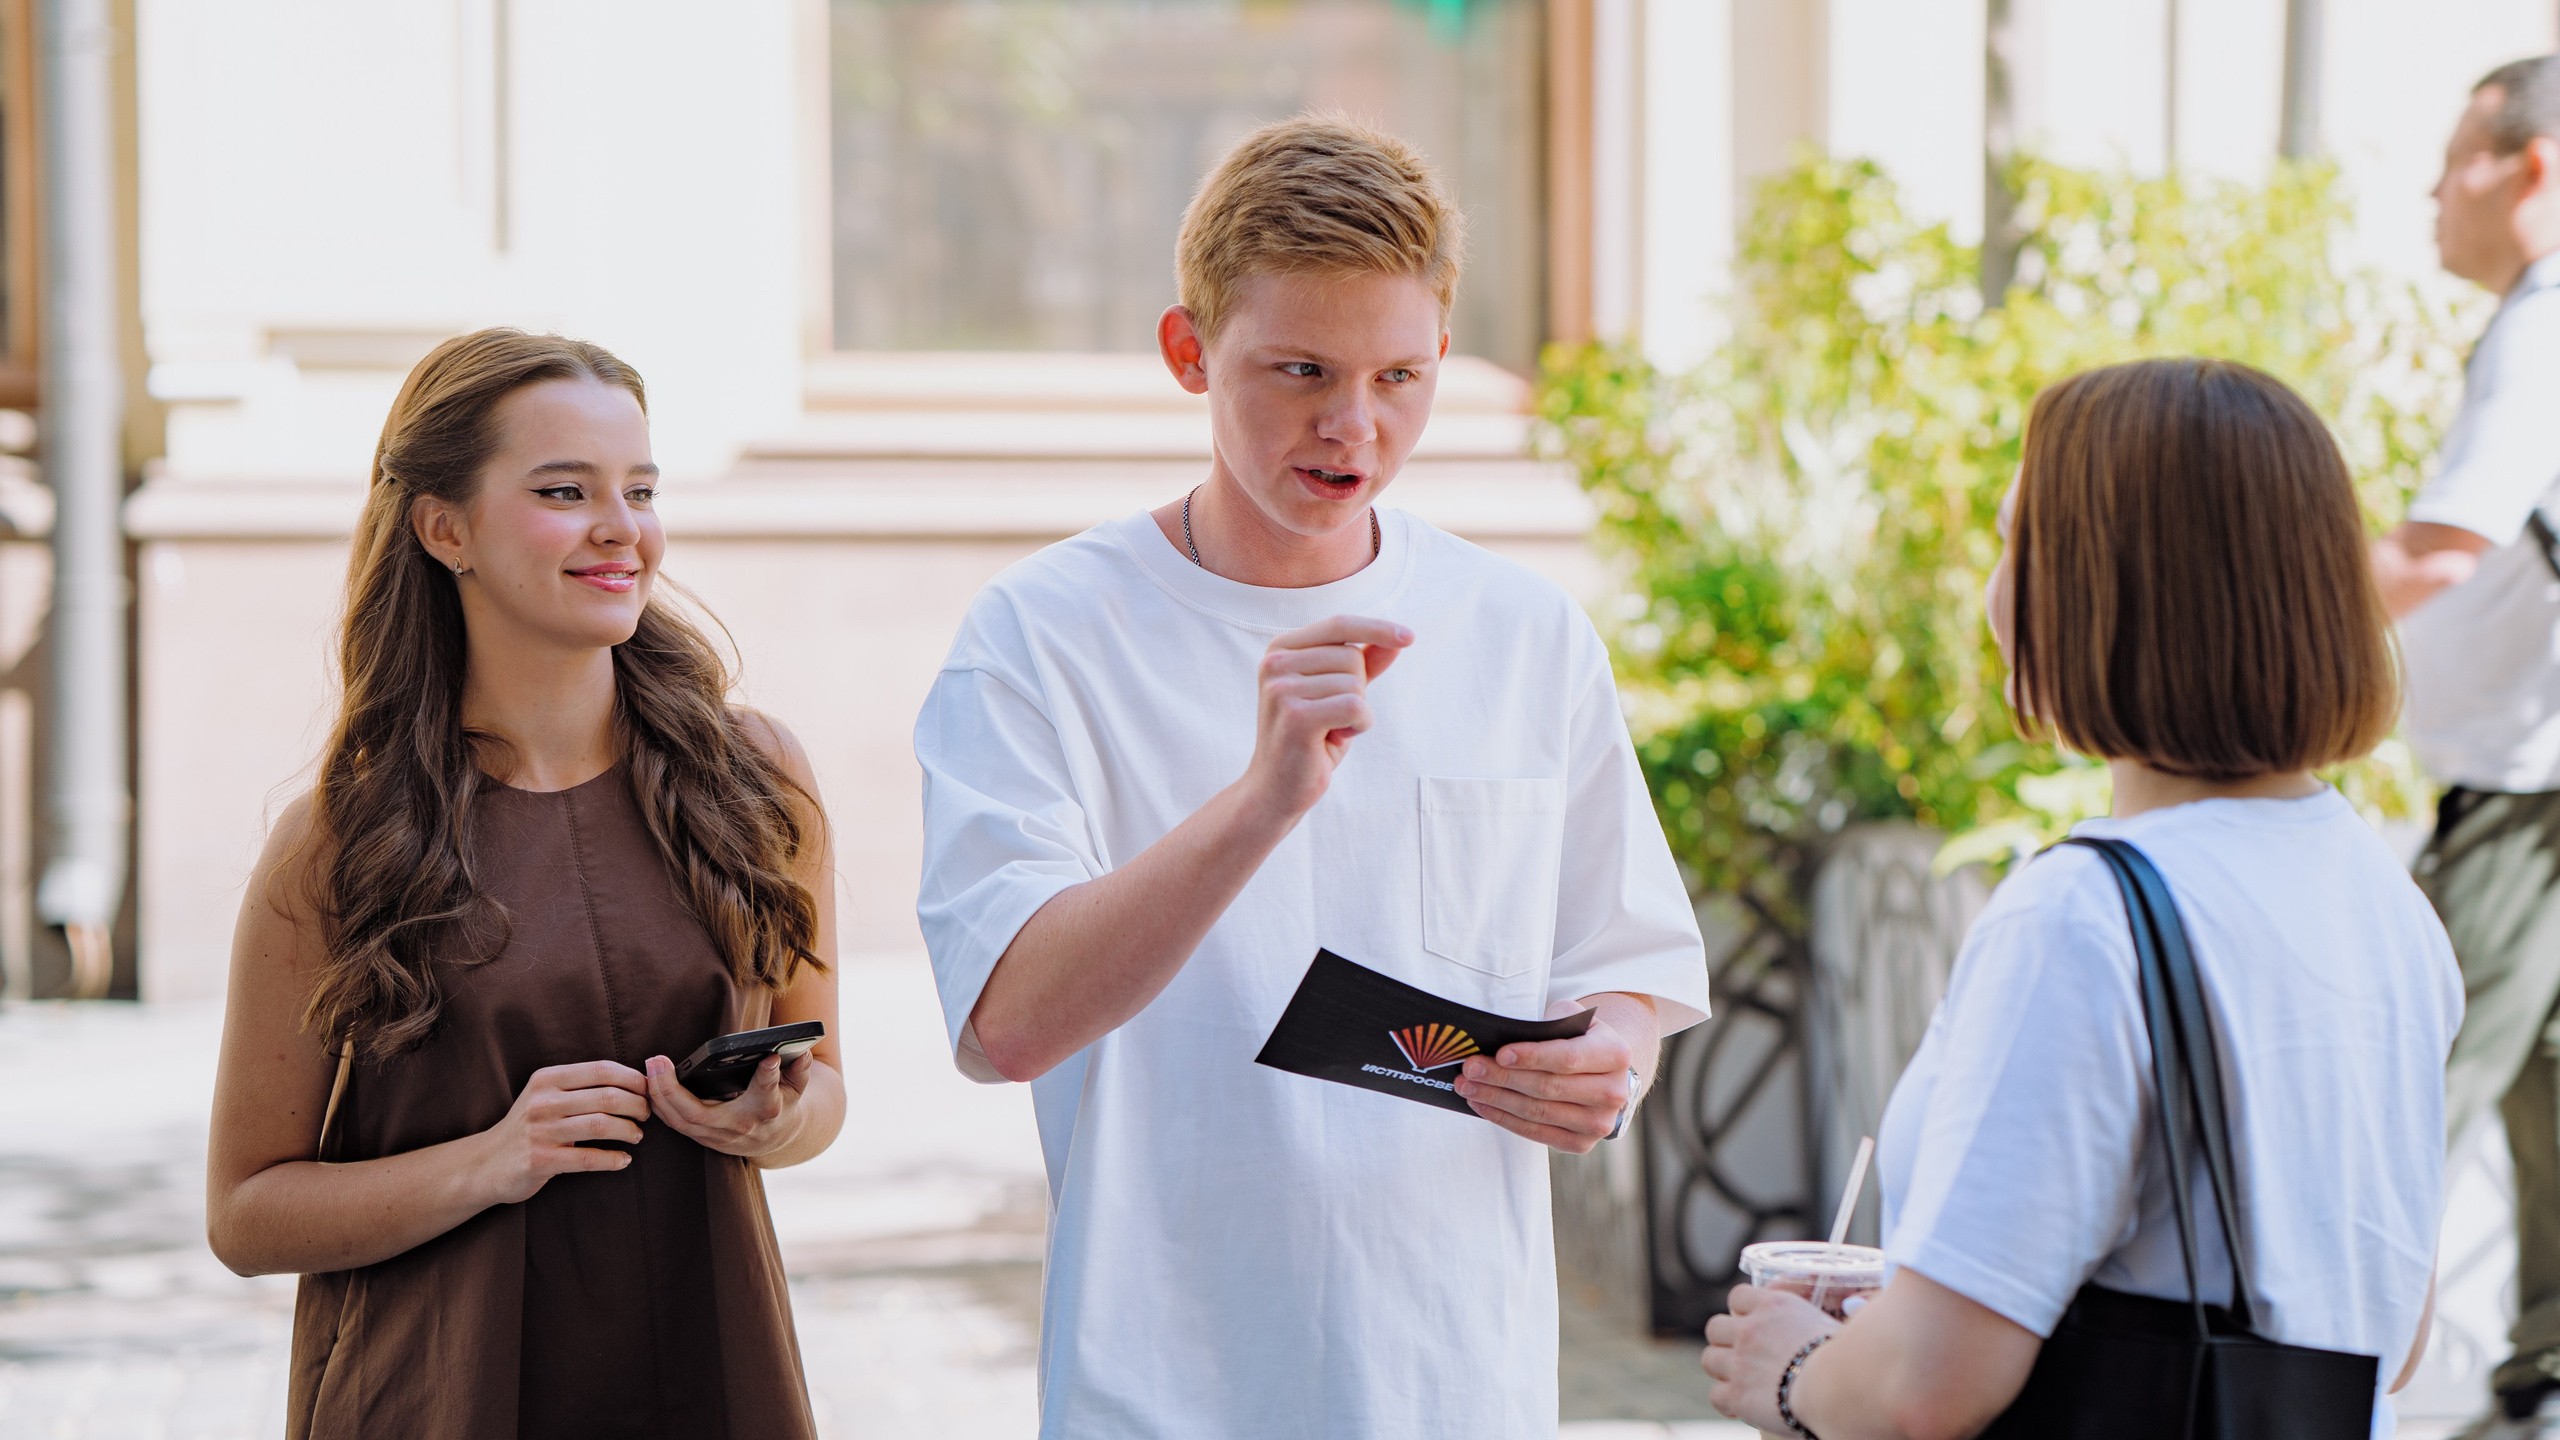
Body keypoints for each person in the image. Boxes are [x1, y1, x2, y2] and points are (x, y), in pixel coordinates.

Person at [912, 115, 1711, 1437]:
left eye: (1401, 375)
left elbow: (1622, 968)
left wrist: (1607, 1063)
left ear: (1443, 349)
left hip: (1458, 1382)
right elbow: (1009, 1025)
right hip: (1162, 1386)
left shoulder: (1525, 632)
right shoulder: (1040, 635)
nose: (1354, 425)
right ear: (1189, 353)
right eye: (1301, 371)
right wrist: (1263, 802)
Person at [1703, 359, 2459, 1440]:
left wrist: (1792, 1371)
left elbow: (1926, 1386)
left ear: (2111, 584)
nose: (1993, 590)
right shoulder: (2386, 905)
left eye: (2018, 542)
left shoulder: (2084, 914)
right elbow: (2394, 1328)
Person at [204, 329, 844, 1440]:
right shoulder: (339, 843)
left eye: (640, 489)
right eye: (564, 491)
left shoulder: (755, 778)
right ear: (443, 528)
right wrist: (490, 1162)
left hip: (708, 1362)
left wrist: (769, 1123)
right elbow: (246, 1214)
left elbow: (823, 1088)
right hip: (436, 1391)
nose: (621, 527)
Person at [2370, 53, 2560, 1439]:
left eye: (2454, 164)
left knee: (2406, 1081)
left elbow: (2443, 548)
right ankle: (2543, 1375)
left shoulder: (2543, 326)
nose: (2434, 194)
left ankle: (2299, 1373)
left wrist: (2252, 607)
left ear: (2531, 167)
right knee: (2544, 1081)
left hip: (2523, 782)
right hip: (2529, 770)